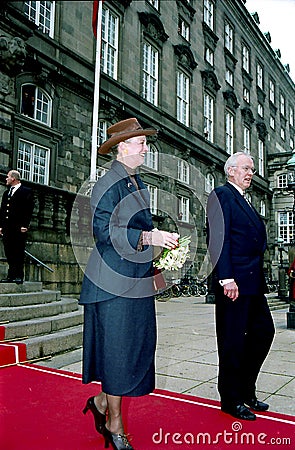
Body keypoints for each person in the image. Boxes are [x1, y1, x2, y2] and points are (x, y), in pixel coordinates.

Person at [79, 118, 179, 449]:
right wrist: (150, 236)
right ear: (123, 148)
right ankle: (115, 423)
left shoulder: (137, 185)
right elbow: (104, 232)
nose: (146, 148)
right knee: (118, 352)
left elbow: (135, 233)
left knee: (133, 348)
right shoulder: (108, 182)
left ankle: (103, 403)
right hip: (110, 283)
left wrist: (158, 253)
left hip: (133, 281)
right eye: (140, 143)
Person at [206, 151, 275, 421]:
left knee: (264, 332)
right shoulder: (222, 195)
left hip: (252, 282)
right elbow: (218, 237)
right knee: (232, 341)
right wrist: (225, 278)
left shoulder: (245, 199)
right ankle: (230, 398)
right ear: (231, 170)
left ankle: (246, 388)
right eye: (246, 168)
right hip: (234, 282)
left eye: (253, 169)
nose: (250, 173)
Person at [0, 170, 34, 284]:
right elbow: (3, 210)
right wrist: (1, 226)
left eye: (8, 177)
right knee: (9, 251)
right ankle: (11, 275)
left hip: (19, 227)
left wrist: (25, 225)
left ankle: (19, 275)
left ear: (13, 178)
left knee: (18, 251)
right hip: (7, 227)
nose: (6, 179)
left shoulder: (26, 191)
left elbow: (28, 209)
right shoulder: (6, 193)